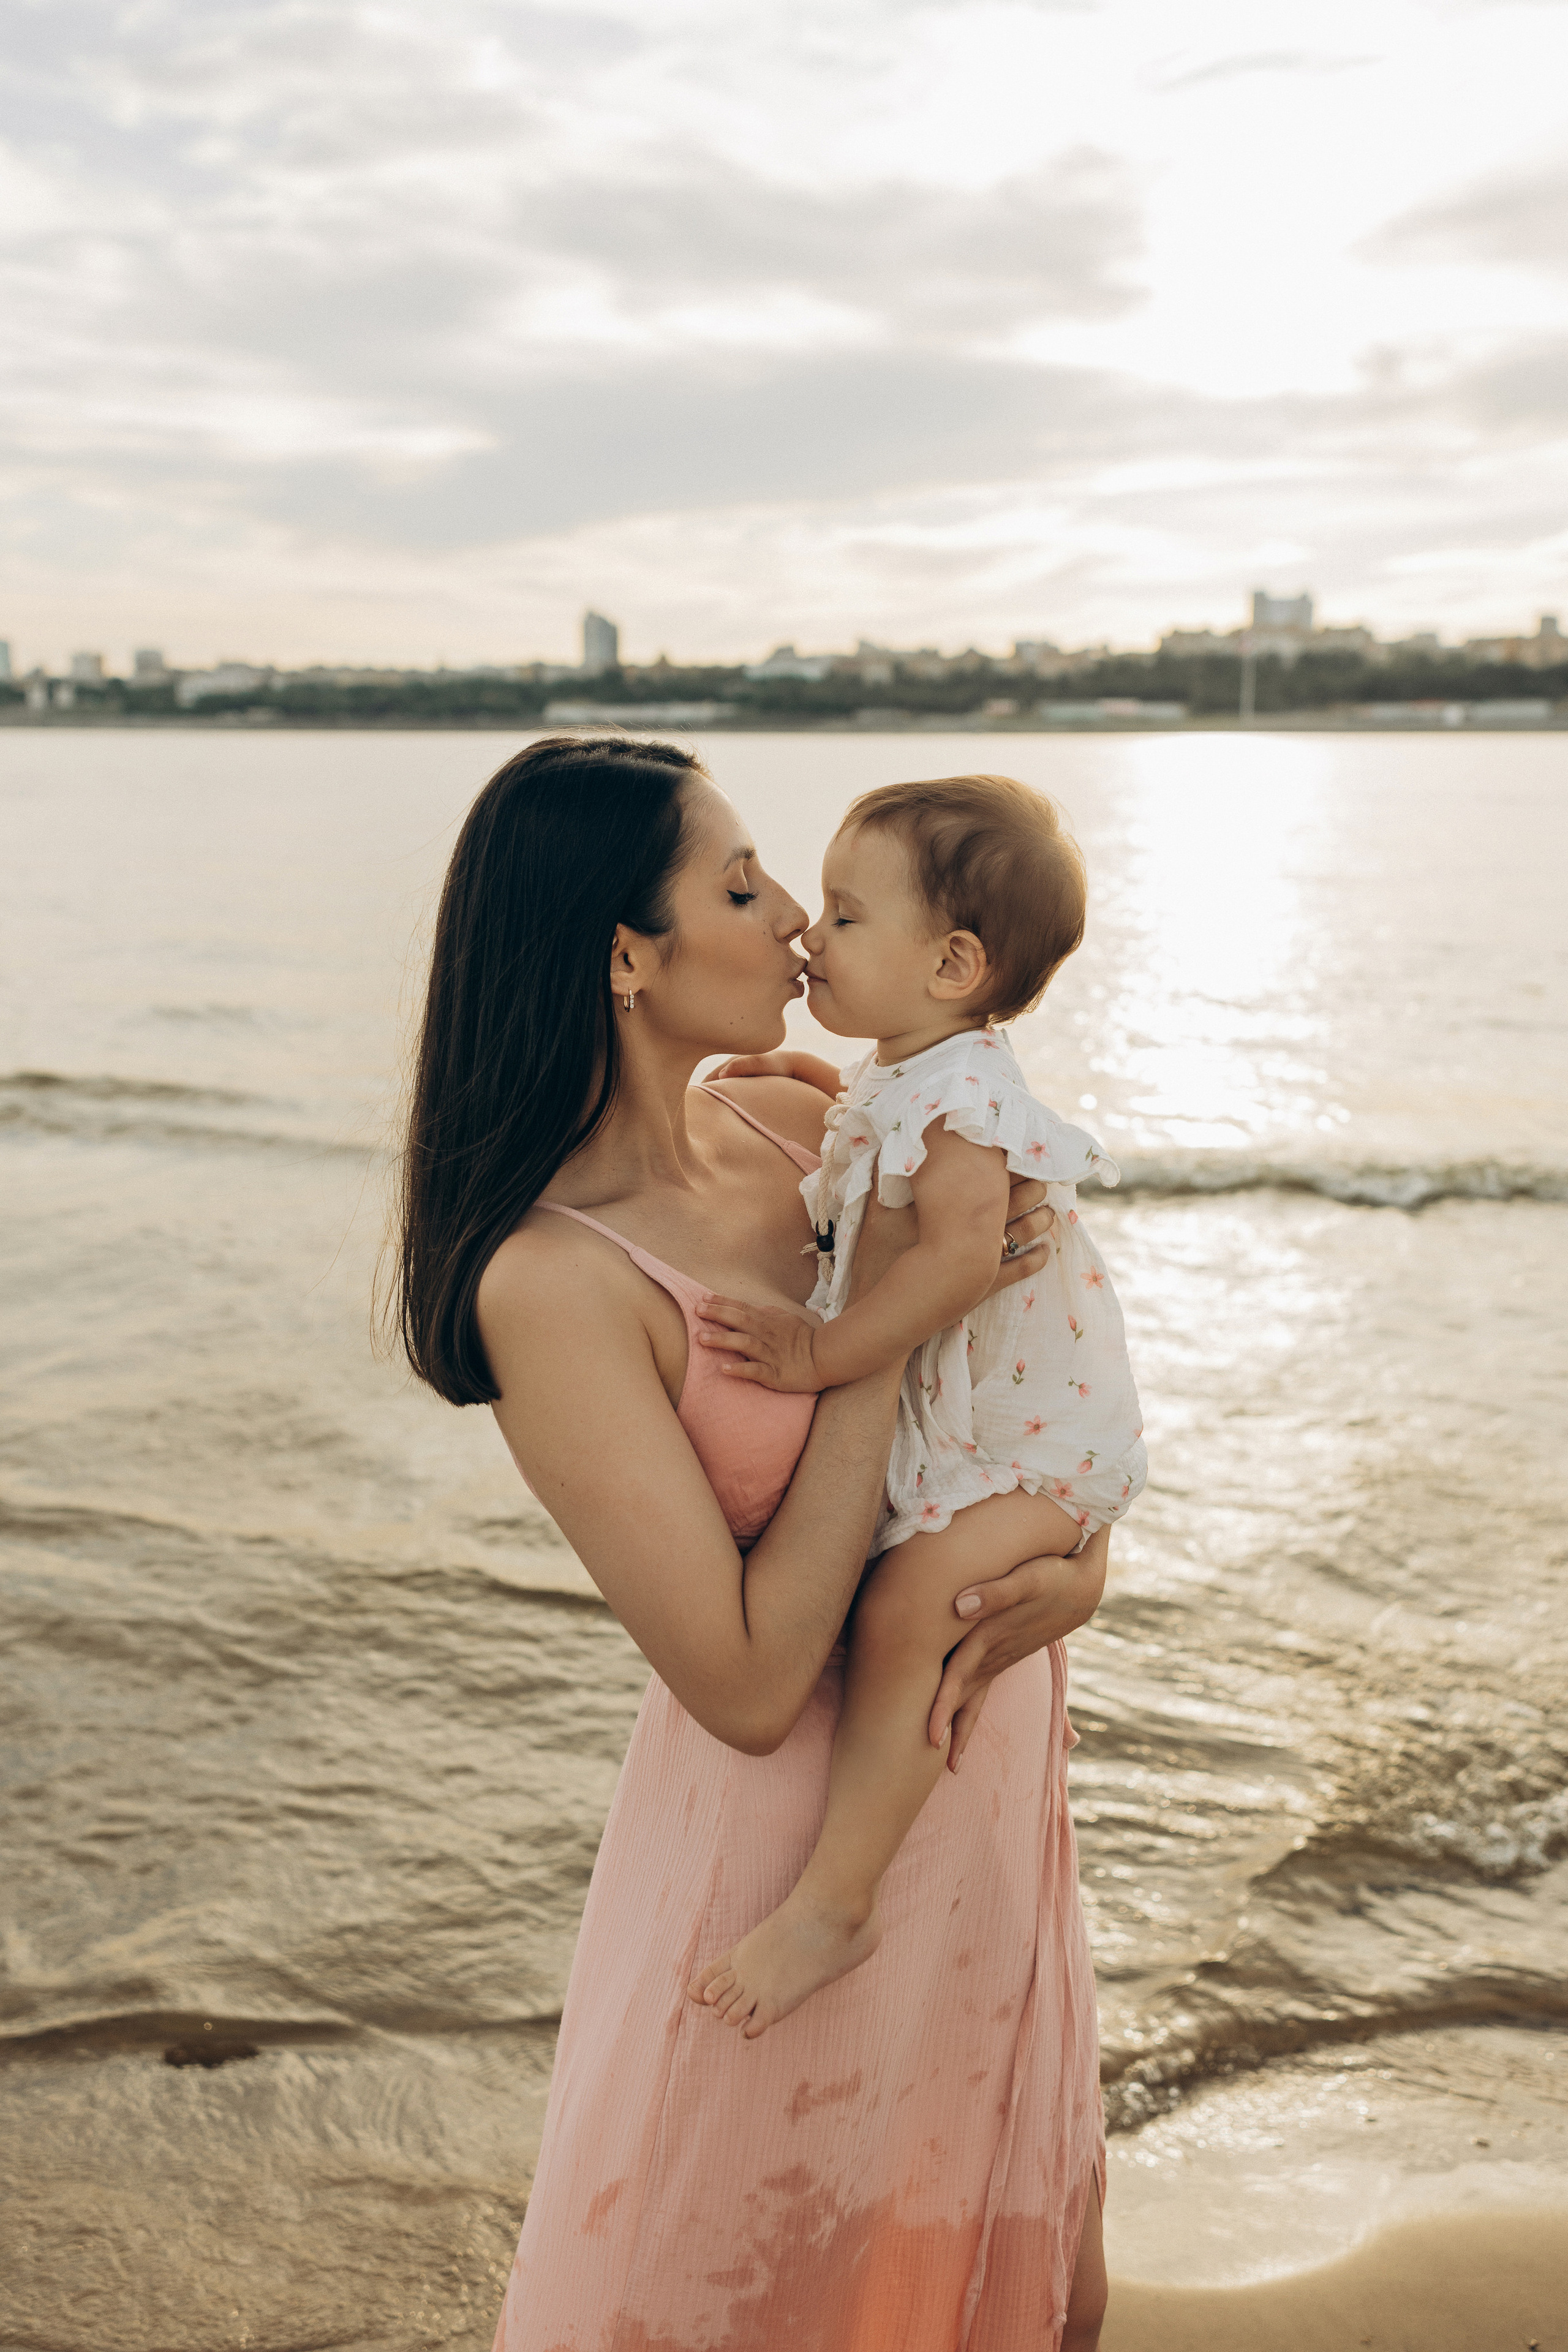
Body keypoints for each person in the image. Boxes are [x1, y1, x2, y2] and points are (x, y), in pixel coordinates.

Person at [394, 734, 1110, 2351]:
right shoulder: (554, 1281)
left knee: (1044, 2299)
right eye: (739, 886)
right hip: (783, 1866)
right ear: (625, 958)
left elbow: (1027, 1400)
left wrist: (1077, 1568)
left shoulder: (816, 1119)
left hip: (973, 1784)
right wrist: (867, 1333)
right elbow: (747, 1673)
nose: (795, 915)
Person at [687, 775, 1145, 2041]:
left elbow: (950, 1263)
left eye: (841, 917)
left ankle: (838, 1900)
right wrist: (808, 1085)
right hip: (993, 1435)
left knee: (903, 1615)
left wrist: (825, 1354)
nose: (806, 937)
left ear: (950, 963)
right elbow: (867, 1165)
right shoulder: (908, 1077)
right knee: (907, 1612)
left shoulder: (965, 1104)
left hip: (1027, 1448)